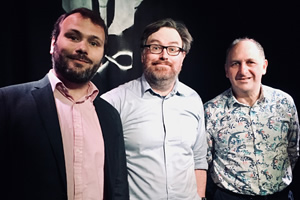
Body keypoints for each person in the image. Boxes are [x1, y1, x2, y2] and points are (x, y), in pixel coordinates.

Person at [0, 7, 129, 200]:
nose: (83, 48)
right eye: (74, 37)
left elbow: (118, 185)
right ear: (53, 43)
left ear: (102, 56)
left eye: (94, 43)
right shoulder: (8, 102)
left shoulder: (109, 114)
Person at [101, 18, 208, 200]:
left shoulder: (193, 100)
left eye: (173, 49)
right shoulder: (114, 101)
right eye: (156, 47)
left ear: (183, 56)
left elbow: (198, 159)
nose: (164, 56)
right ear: (143, 54)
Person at [204, 37, 300, 200]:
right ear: (226, 70)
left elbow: (293, 150)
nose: (243, 71)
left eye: (250, 62)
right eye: (235, 63)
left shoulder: (284, 103)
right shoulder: (210, 110)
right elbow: (204, 161)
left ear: (264, 66)